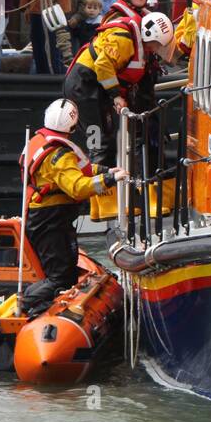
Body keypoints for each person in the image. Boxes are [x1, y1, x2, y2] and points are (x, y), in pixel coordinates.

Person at [18, 98, 126, 318]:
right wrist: (109, 179)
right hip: (50, 220)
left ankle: (38, 304)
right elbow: (77, 186)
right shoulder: (59, 154)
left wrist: (105, 169)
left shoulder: (41, 142)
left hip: (46, 217)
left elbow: (79, 168)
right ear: (73, 126)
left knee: (62, 272)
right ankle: (27, 302)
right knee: (61, 278)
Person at [63, 0, 174, 164]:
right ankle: (98, 189)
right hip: (84, 85)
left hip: (98, 85)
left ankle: (111, 185)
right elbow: (103, 64)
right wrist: (115, 95)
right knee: (99, 141)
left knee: (111, 138)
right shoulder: (123, 36)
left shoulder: (142, 22)